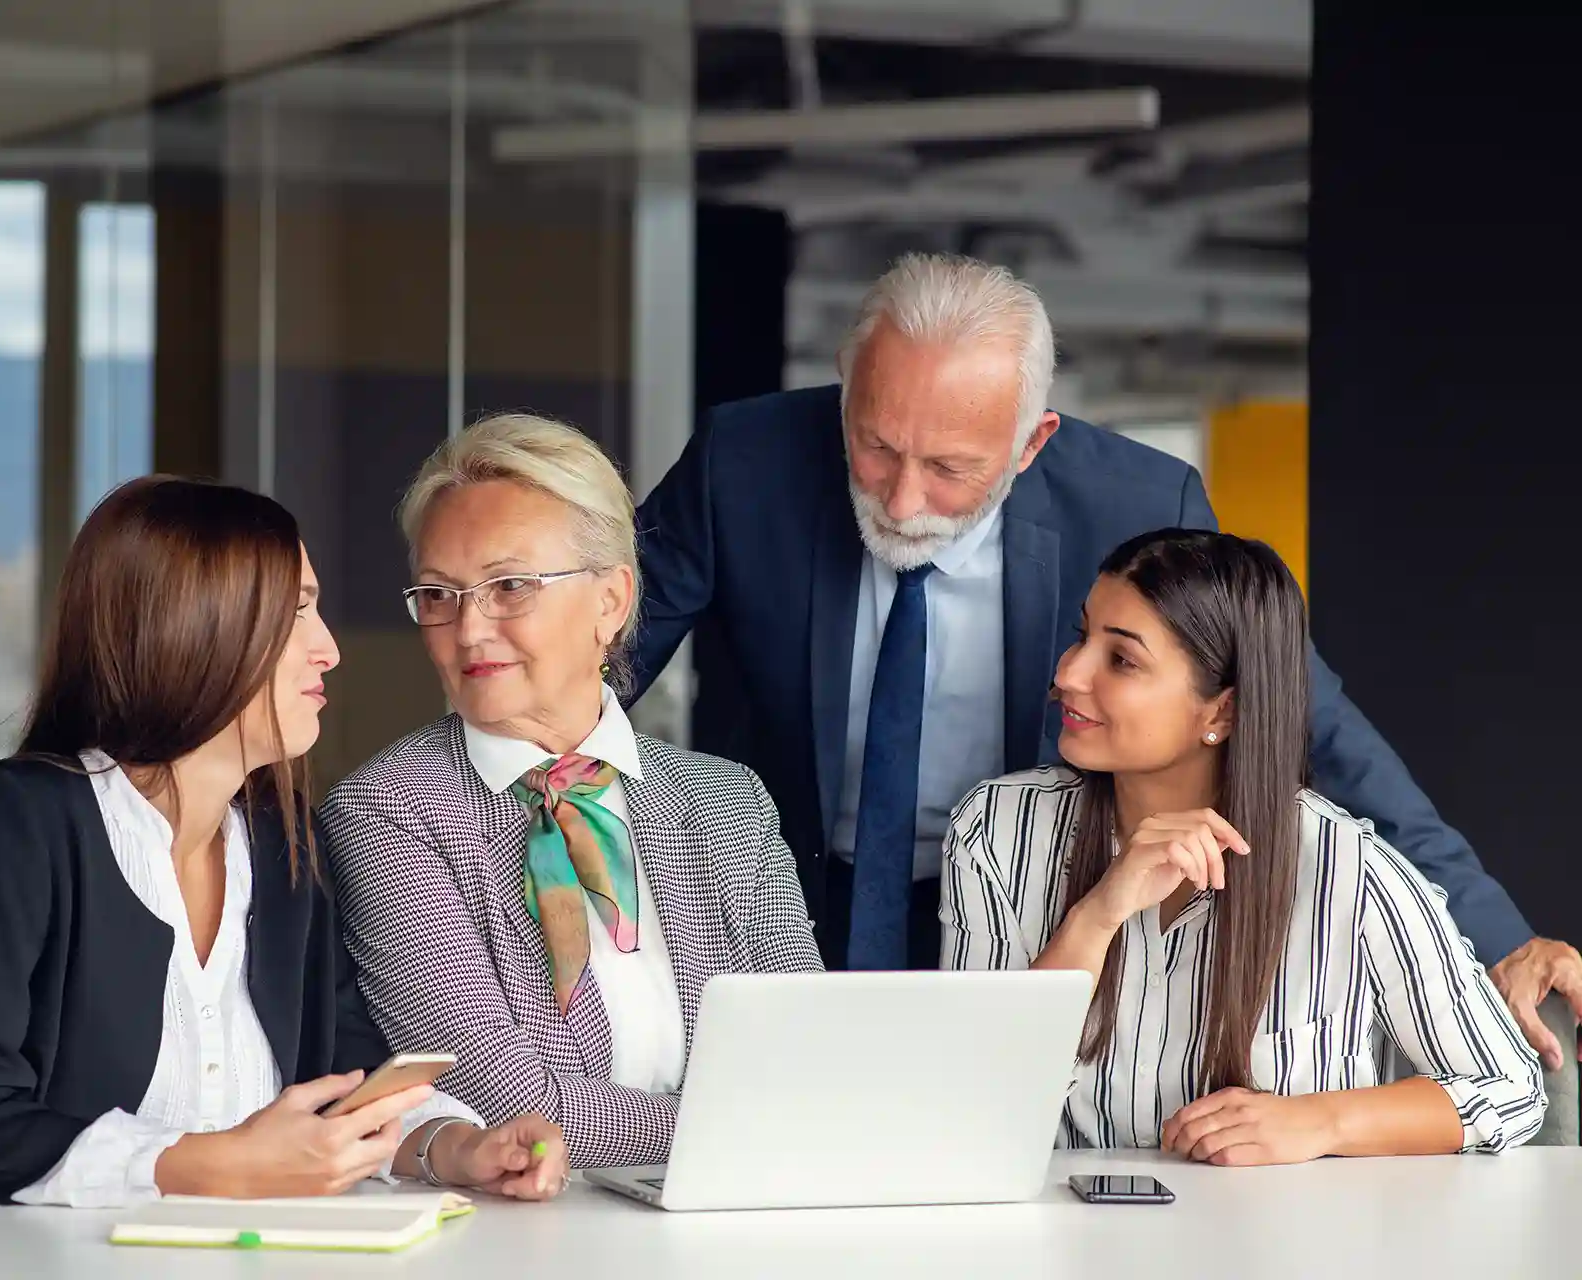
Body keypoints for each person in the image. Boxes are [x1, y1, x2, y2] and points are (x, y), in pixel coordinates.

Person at [629, 251, 1582, 1067]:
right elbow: (597, 652)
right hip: (783, 895)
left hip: (1025, 909)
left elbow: (1308, 718)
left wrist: (1499, 936)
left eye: (952, 468)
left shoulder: (1138, 501)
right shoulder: (743, 459)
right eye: (874, 446)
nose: (903, 497)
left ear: (1031, 442)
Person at [0, 476, 568, 1206]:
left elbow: (347, 1071)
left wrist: (455, 1147)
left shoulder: (284, 844)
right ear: (196, 628)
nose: (329, 651)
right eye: (297, 613)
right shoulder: (15, 823)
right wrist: (206, 1165)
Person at [940, 529, 1545, 1160]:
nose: (1068, 673)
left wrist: (1320, 1123)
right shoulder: (996, 831)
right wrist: (1097, 915)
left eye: (1121, 660)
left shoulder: (1342, 864)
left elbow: (1509, 1088)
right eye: (1080, 635)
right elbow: (971, 1094)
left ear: (1223, 713)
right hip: (1064, 1246)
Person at [320, 414, 823, 1170]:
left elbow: (806, 1052)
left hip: (732, 1218)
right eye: (438, 595)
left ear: (611, 601)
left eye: (510, 586)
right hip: (526, 1231)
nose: (467, 631)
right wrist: (756, 1128)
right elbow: (515, 1105)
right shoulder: (387, 812)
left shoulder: (728, 802)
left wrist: (790, 1116)